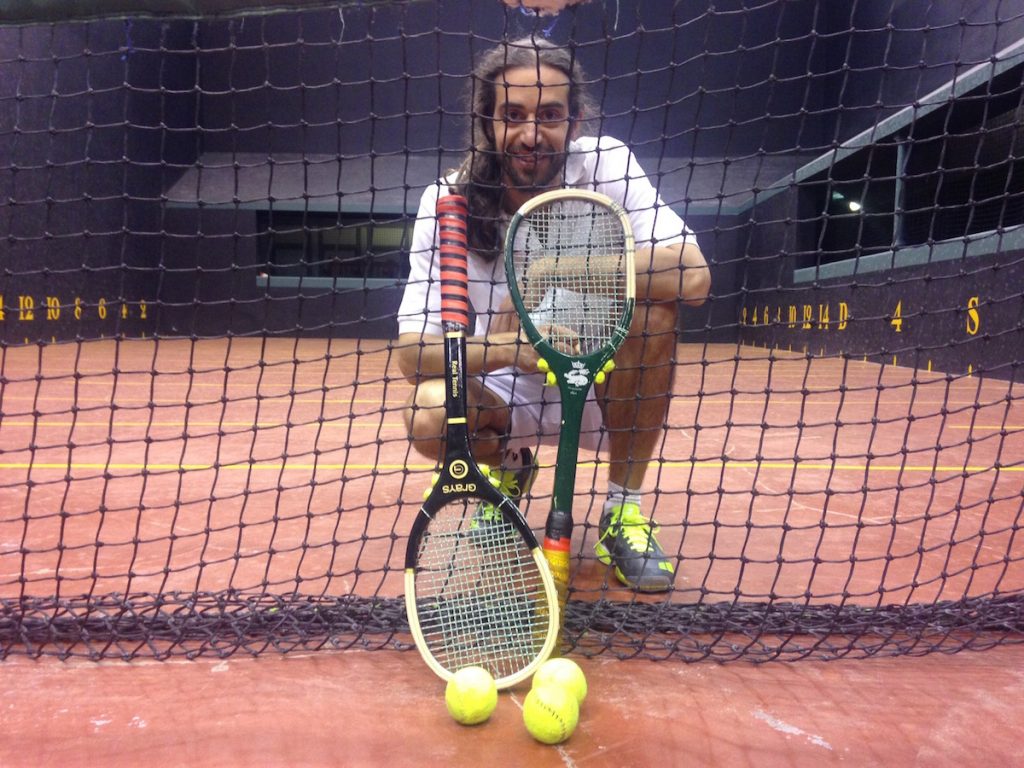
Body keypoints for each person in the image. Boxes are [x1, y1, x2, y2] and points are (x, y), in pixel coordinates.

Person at [396, 37, 710, 592]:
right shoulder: (447, 200)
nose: (531, 134)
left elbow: (692, 277)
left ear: (576, 119)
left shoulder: (607, 165)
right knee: (428, 413)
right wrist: (508, 350)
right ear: (487, 122)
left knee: (654, 313)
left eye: (549, 115)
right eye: (512, 116)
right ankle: (508, 468)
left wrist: (546, 275)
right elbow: (414, 352)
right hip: (506, 390)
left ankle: (623, 512)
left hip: (600, 381)